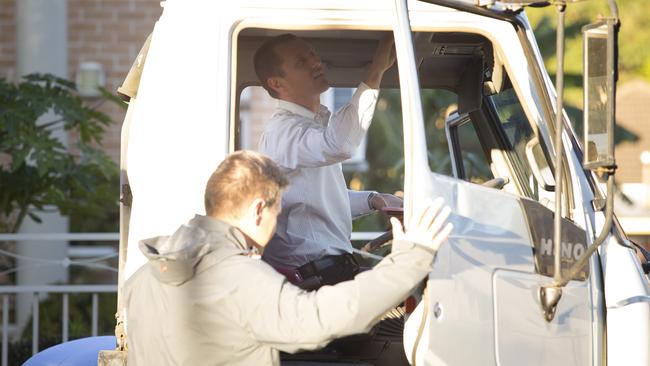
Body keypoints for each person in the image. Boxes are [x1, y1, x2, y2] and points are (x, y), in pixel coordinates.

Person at [124, 150, 453, 366]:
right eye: (278, 211)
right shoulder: (239, 278)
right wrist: (412, 258)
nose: (277, 223)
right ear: (257, 210)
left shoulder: (144, 276)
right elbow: (322, 318)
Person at [254, 34, 402, 287]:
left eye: (313, 54)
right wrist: (375, 71)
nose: (316, 63)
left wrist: (374, 199)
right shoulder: (284, 132)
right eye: (302, 61)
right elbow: (340, 144)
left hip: (330, 271)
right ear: (277, 83)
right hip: (313, 280)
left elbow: (317, 200)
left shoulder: (308, 128)